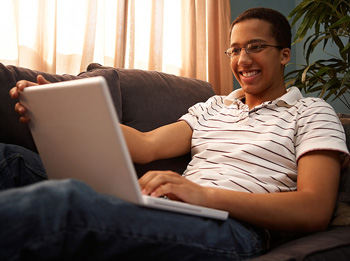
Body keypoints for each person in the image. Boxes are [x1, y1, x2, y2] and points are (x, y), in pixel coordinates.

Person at [2, 7, 349, 260]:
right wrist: (63, 111)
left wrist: (202, 195)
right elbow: (146, 144)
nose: (243, 59)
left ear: (284, 54)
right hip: (167, 207)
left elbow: (313, 209)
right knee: (9, 158)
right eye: (235, 49)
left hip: (234, 228)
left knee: (63, 203)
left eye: (255, 46)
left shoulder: (313, 112)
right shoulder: (213, 106)